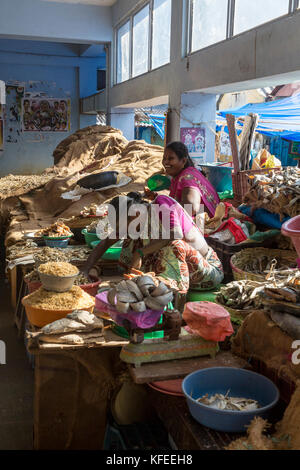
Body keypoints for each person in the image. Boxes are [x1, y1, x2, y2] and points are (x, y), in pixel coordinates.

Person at [82, 192, 223, 293]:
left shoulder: (161, 203)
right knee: (132, 239)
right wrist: (85, 270)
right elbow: (105, 243)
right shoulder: (133, 221)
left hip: (207, 272)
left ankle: (174, 294)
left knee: (174, 245)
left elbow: (176, 234)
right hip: (182, 272)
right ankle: (140, 279)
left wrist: (140, 253)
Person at [145, 141, 220, 218]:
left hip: (205, 225)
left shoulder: (187, 177)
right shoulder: (187, 173)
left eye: (171, 158)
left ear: (183, 161)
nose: (165, 162)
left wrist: (162, 208)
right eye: (164, 158)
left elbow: (191, 208)